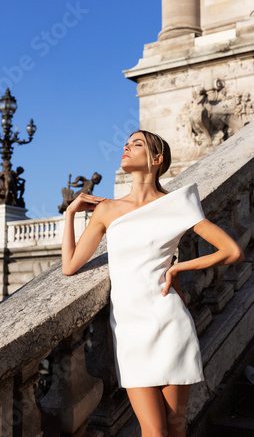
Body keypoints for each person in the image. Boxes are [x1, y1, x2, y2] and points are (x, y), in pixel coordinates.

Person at [62, 130, 244, 437]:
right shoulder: (106, 210)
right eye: (126, 143)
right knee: (154, 430)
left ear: (156, 159)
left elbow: (232, 250)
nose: (126, 147)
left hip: (169, 320)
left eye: (137, 144)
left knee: (175, 425)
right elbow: (69, 266)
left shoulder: (177, 204)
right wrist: (69, 214)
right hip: (130, 328)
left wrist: (179, 268)